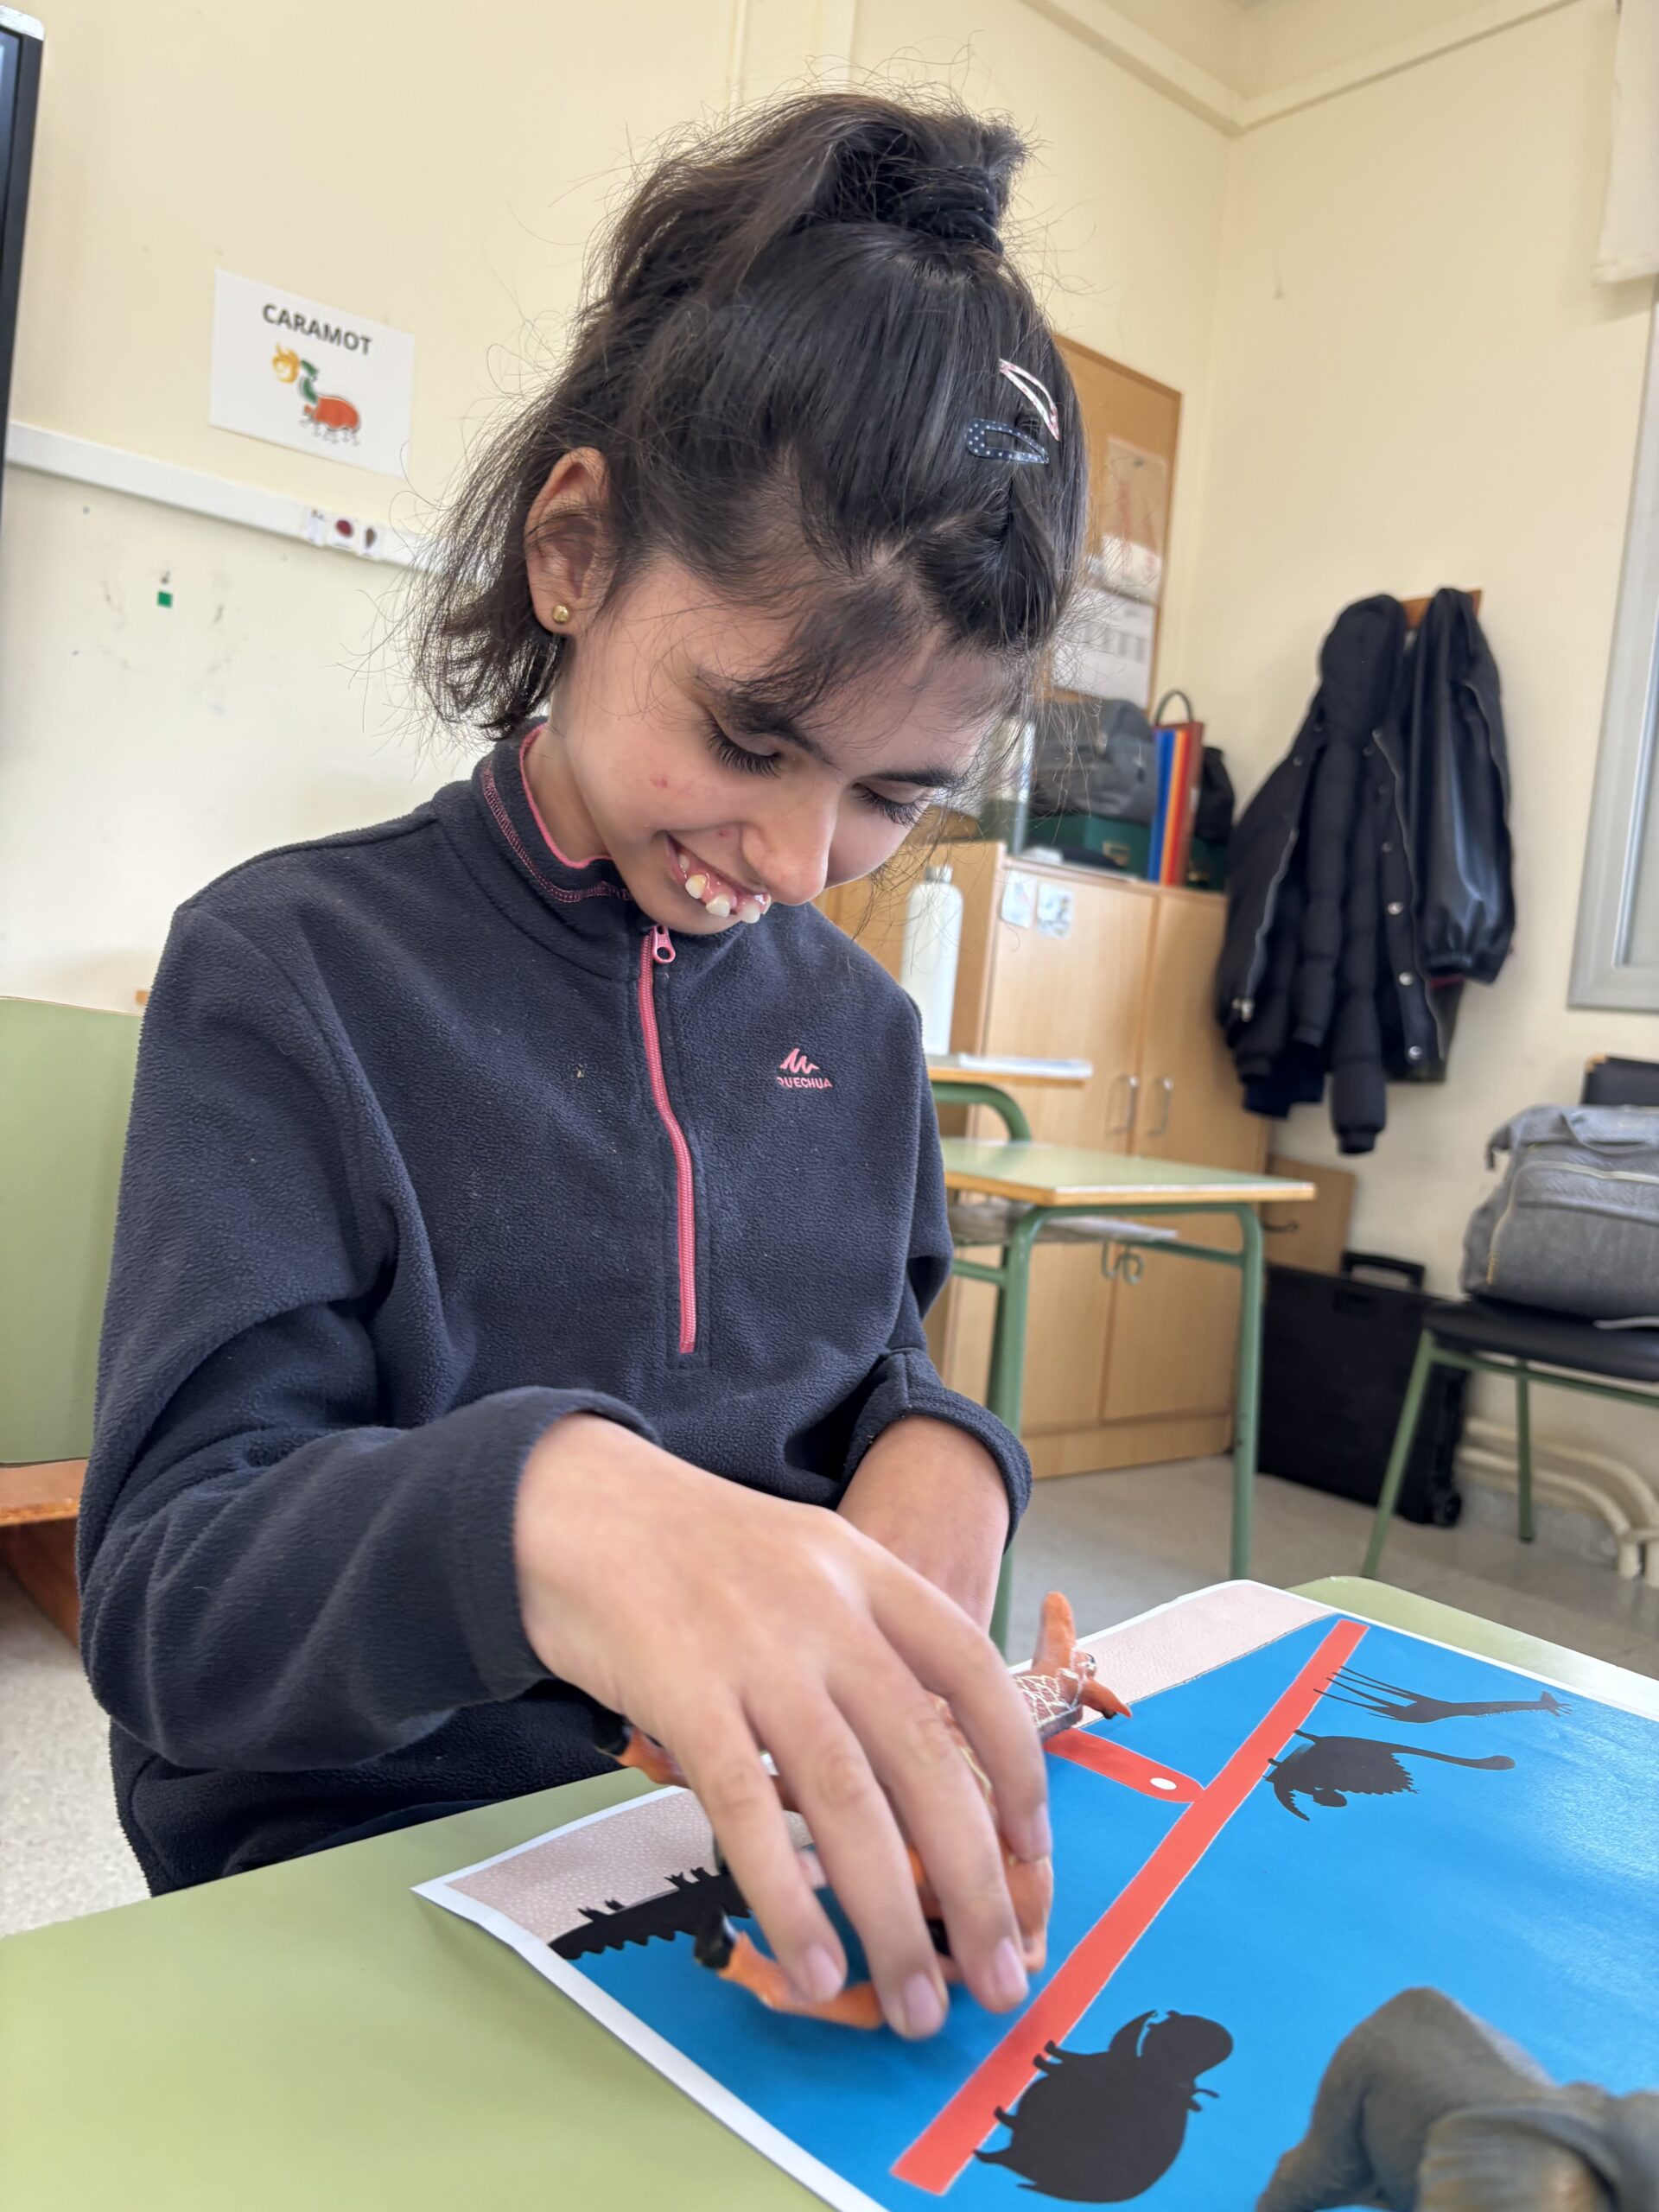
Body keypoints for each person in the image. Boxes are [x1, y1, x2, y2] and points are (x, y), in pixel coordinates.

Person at [77, 90, 1087, 2042]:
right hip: (377, 1890)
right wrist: (555, 1515)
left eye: (894, 796)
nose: (795, 859)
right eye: (750, 734)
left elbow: (865, 1361)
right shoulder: (291, 970)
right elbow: (174, 1608)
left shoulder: (862, 1033)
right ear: (573, 550)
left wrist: (944, 1454)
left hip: (754, 1885)